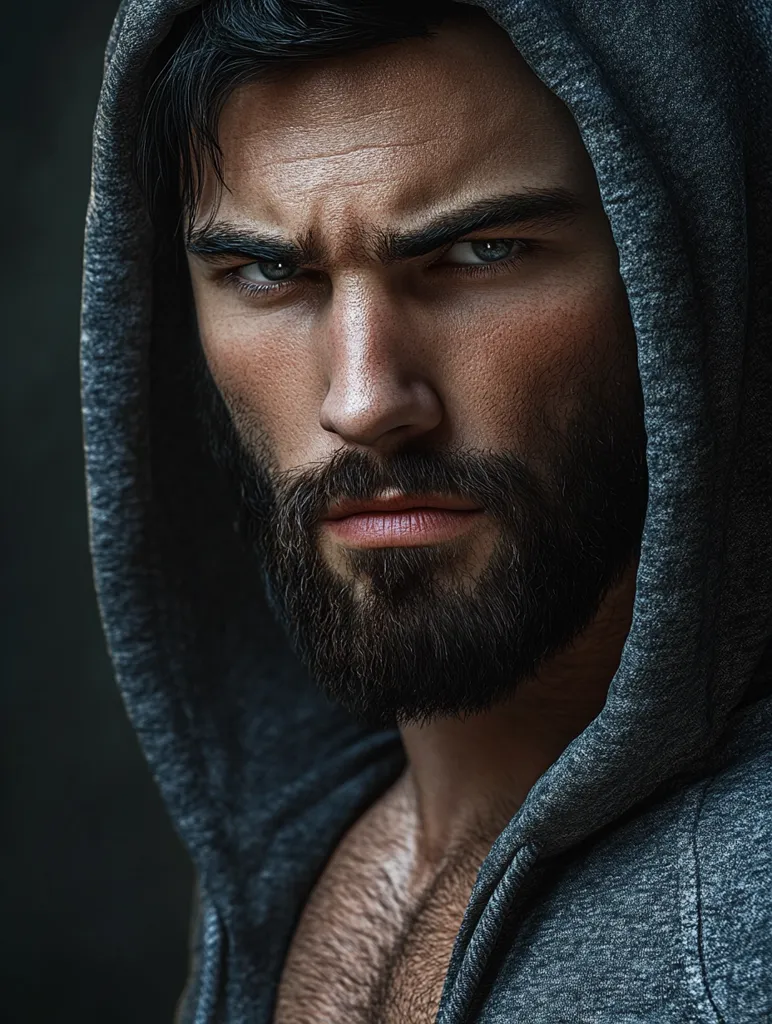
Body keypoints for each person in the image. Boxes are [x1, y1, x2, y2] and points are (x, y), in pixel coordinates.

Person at [81, 0, 772, 1020]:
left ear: (686, 268)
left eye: (481, 253)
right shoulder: (294, 846)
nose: (362, 401)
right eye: (268, 272)